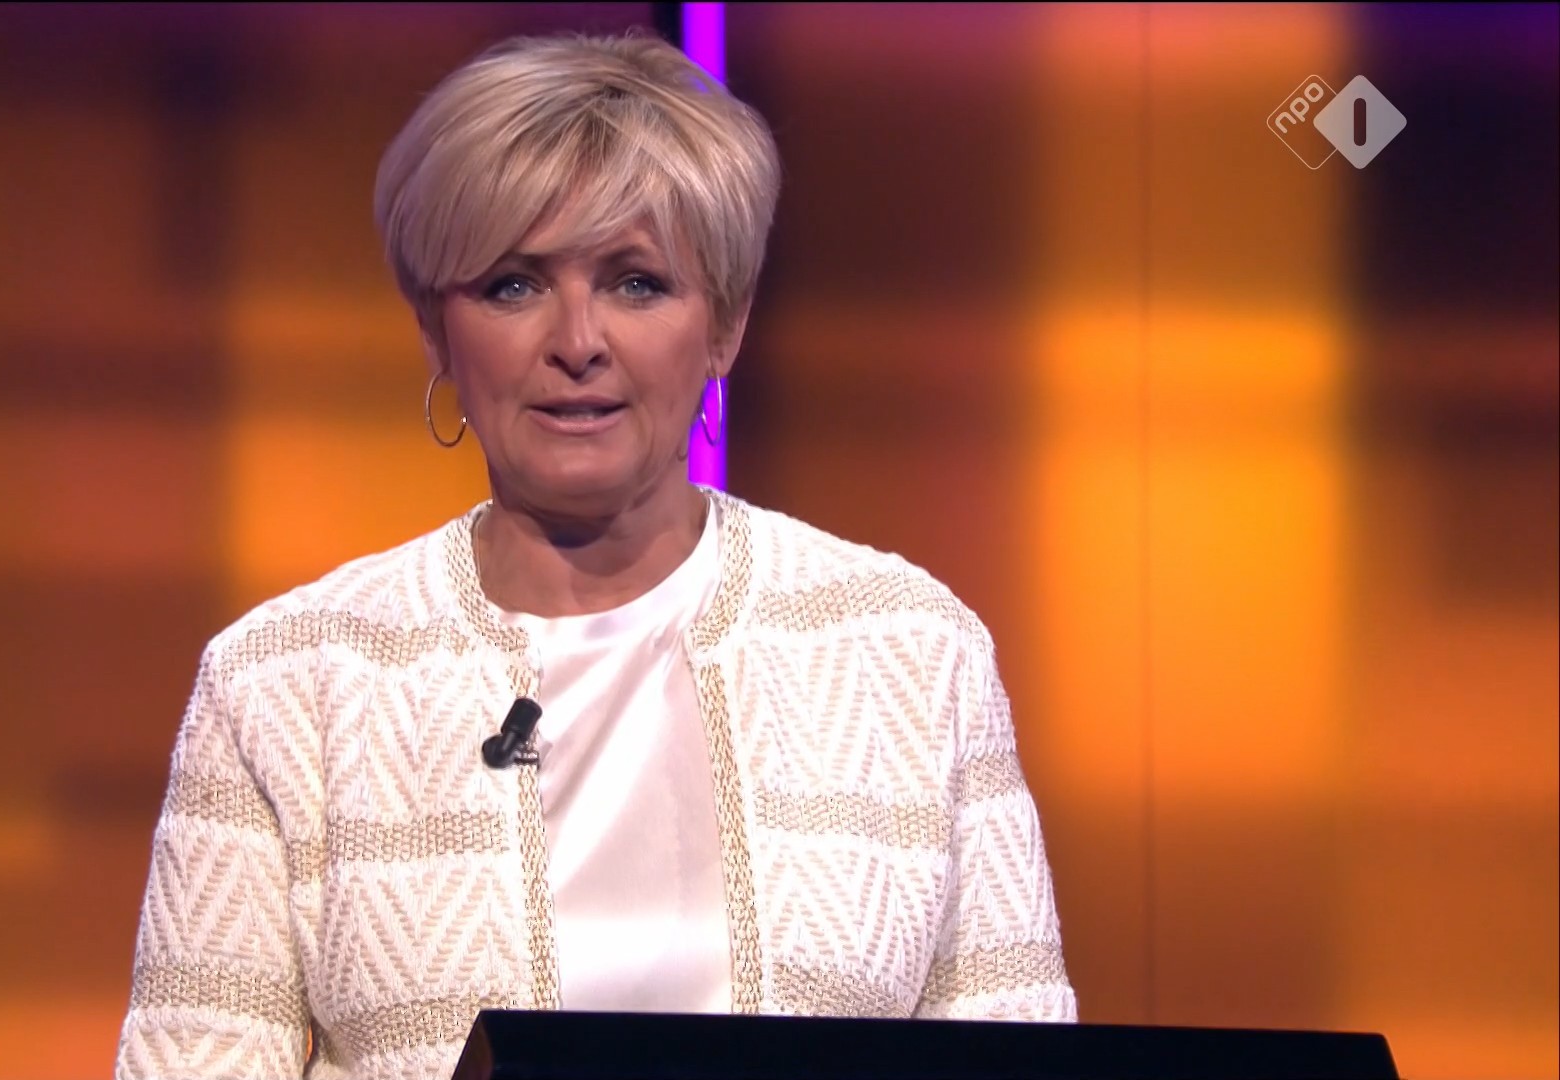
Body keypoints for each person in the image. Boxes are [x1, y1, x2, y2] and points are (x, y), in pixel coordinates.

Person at [115, 29, 1075, 1079]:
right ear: (437, 331)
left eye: (636, 283)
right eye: (513, 286)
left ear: (726, 326)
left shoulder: (910, 652)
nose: (577, 342)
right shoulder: (285, 685)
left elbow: (1017, 1052)